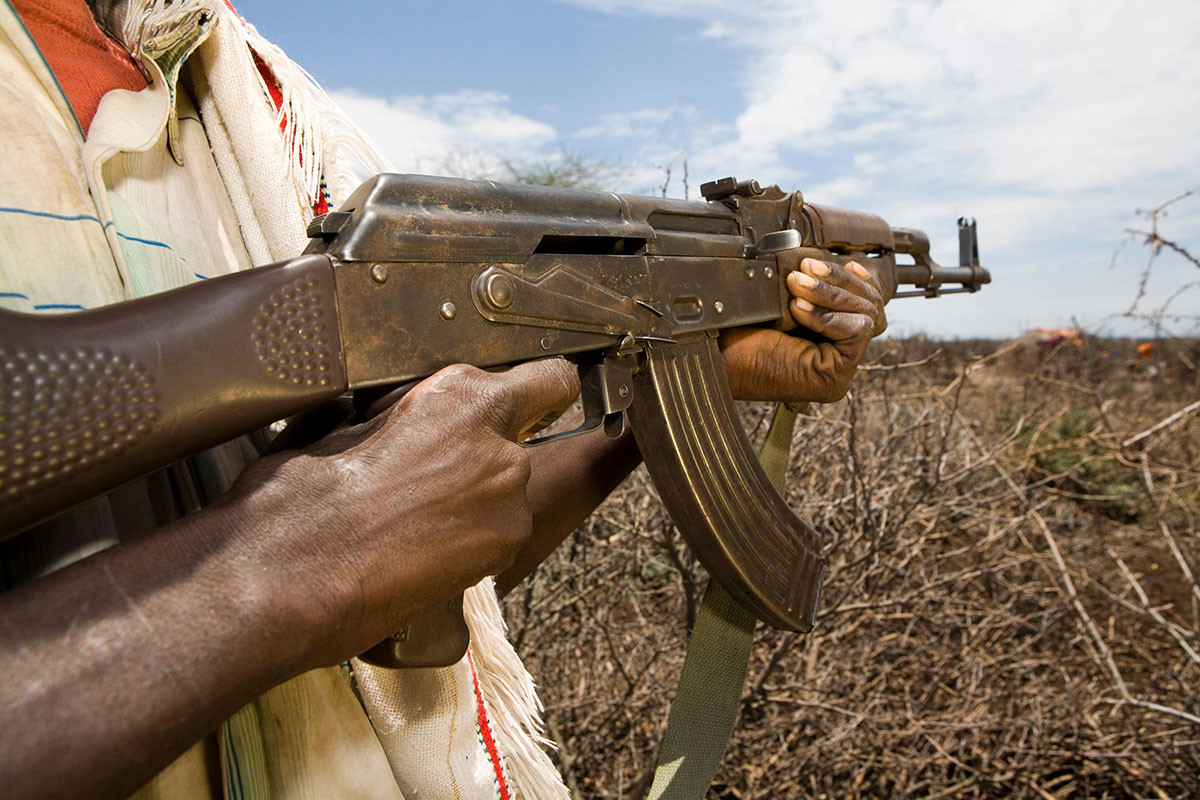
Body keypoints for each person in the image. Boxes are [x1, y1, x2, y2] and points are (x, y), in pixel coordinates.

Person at [0, 1, 890, 798]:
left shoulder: (265, 111)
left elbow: (436, 540)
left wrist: (684, 372)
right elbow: (336, 545)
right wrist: (280, 570)